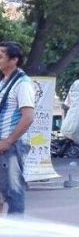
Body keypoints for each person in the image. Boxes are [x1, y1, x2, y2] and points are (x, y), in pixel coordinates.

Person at [0, 41, 35, 215]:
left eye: (0, 56)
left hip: (11, 147)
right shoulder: (4, 81)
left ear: (14, 60)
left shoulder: (22, 84)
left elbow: (28, 117)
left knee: (14, 192)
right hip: (4, 146)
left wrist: (8, 141)